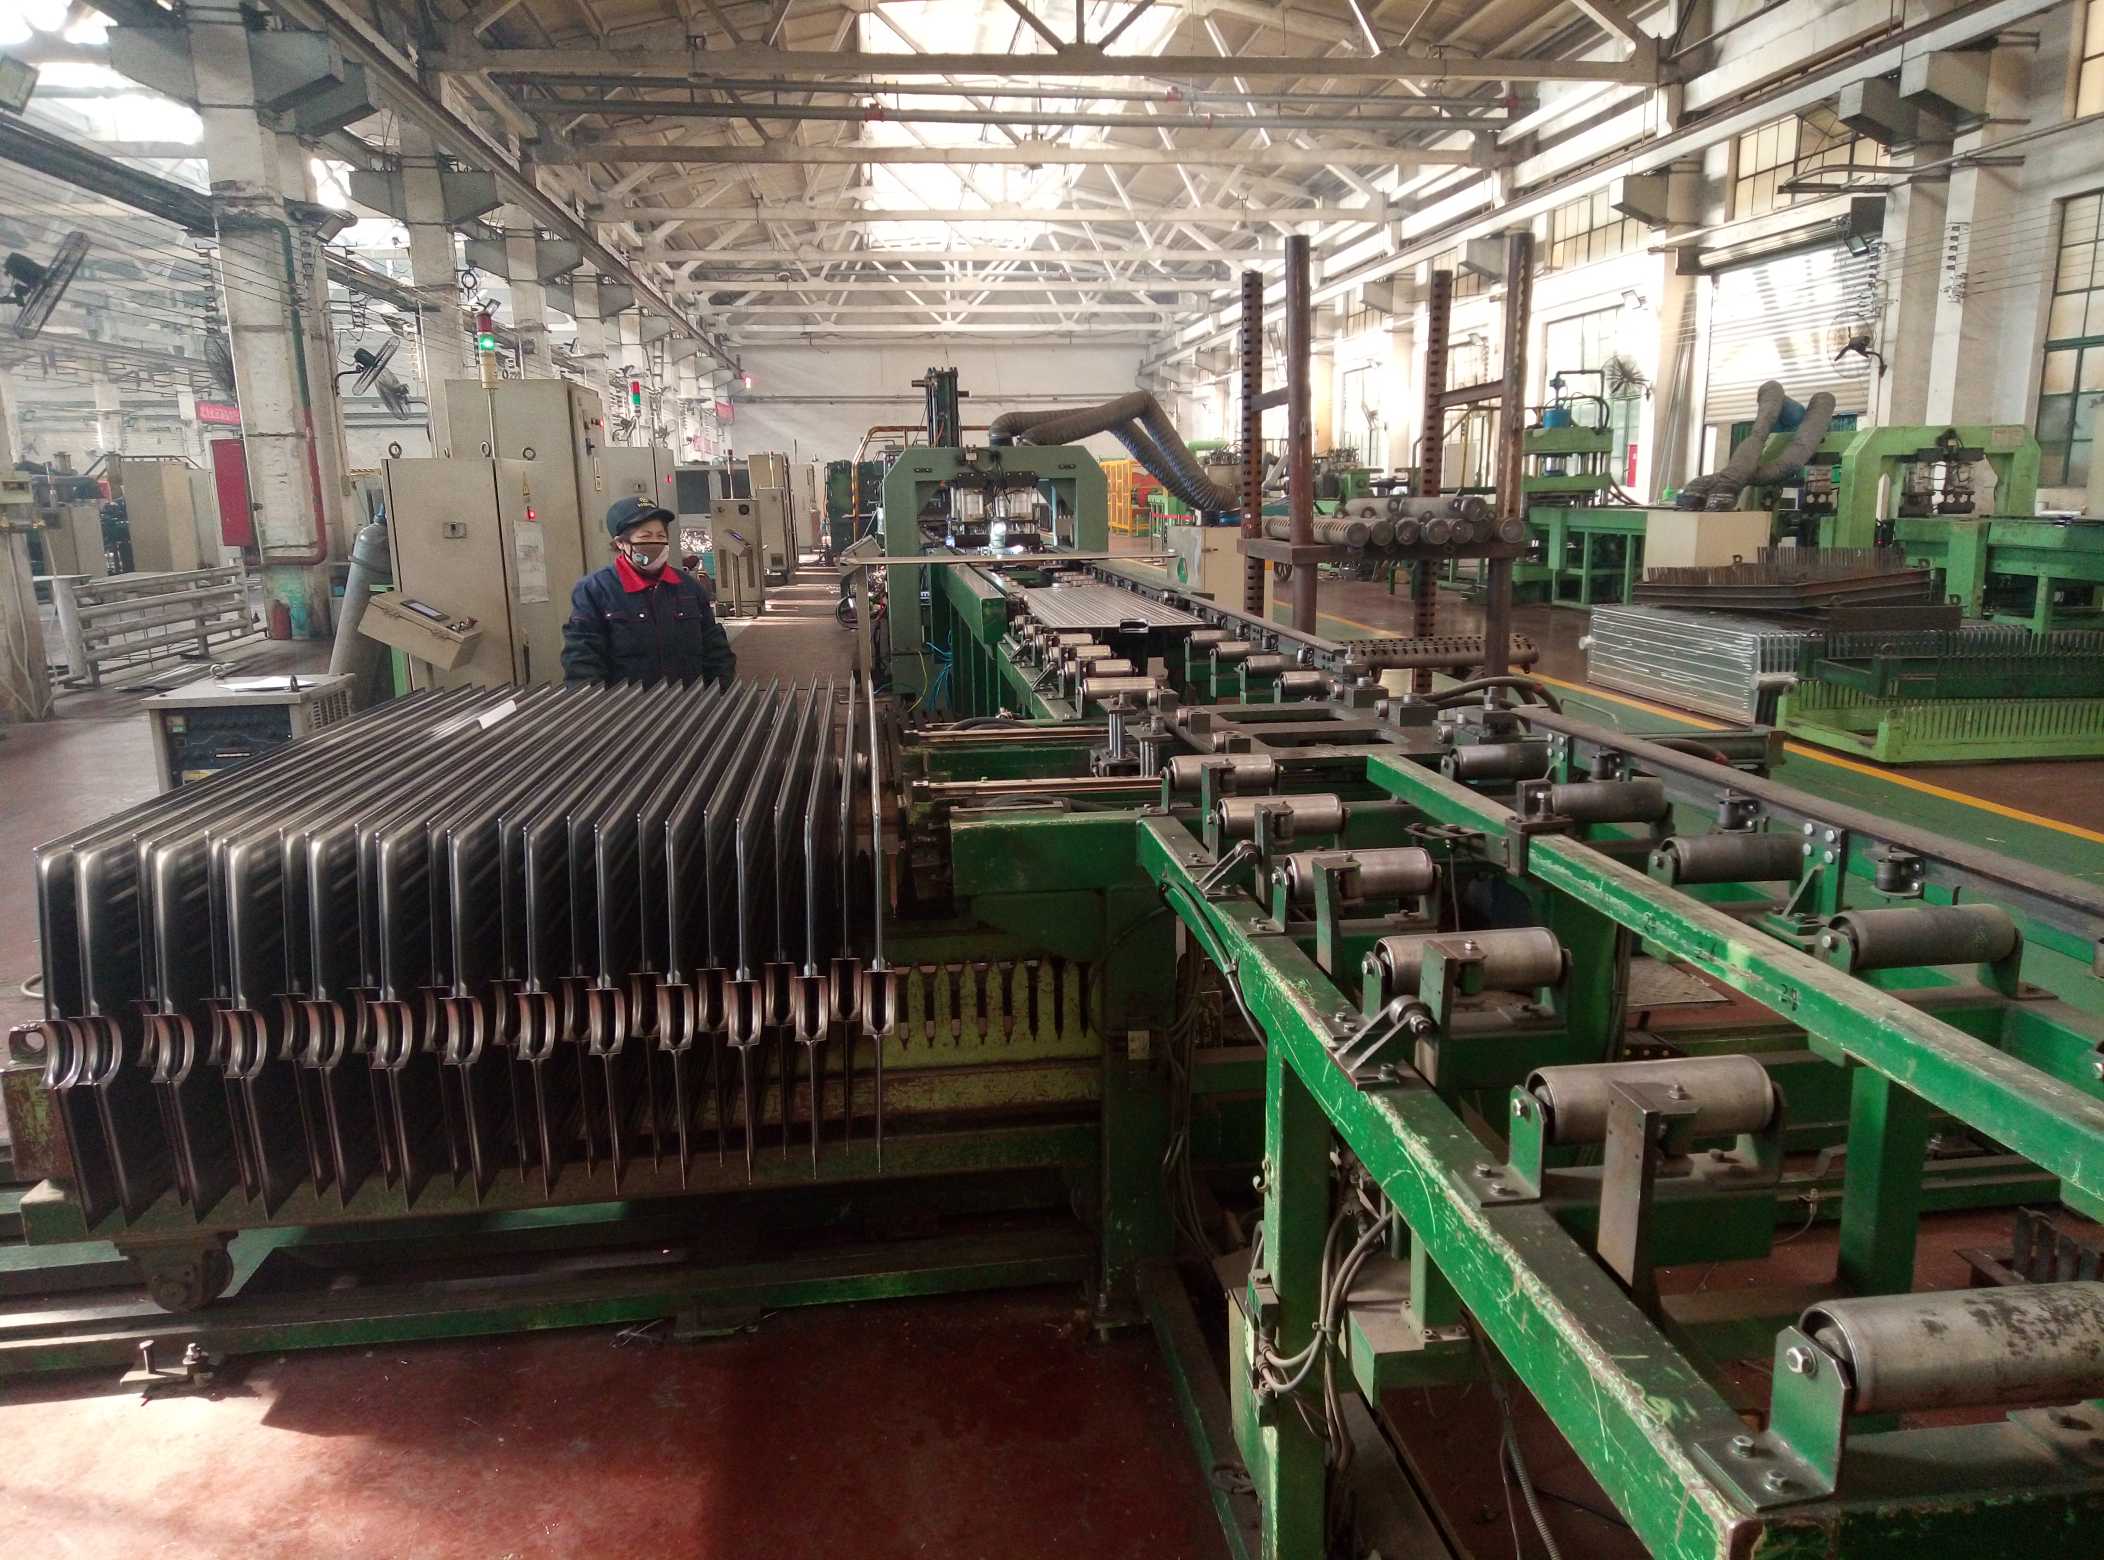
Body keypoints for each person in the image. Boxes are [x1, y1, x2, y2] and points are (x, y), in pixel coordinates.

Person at [561, 496, 736, 687]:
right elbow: (582, 661)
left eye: (660, 536)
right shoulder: (596, 590)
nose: (655, 544)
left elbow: (715, 649)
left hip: (688, 701)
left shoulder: (688, 587)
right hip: (628, 704)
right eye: (645, 537)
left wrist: (720, 694)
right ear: (620, 543)